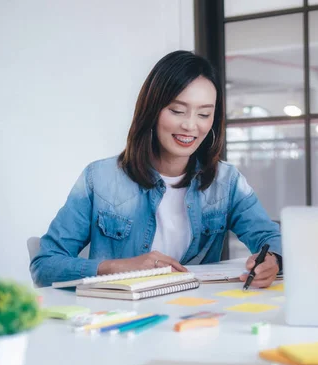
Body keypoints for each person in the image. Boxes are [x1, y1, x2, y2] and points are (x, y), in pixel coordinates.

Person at [31, 51, 281, 289]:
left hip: (197, 317)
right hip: (120, 318)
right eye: (177, 111)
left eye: (204, 114)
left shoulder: (226, 182)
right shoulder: (100, 179)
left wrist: (273, 260)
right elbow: (45, 265)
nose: (190, 125)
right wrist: (120, 267)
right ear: (152, 110)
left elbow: (271, 238)